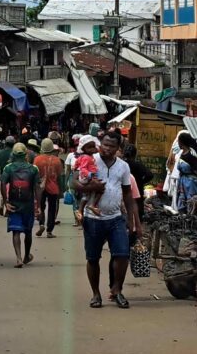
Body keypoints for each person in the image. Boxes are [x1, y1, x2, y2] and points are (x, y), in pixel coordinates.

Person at [76, 131, 140, 309]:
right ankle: (96, 294)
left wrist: (131, 220)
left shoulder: (123, 167)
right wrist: (88, 185)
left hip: (115, 217)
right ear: (100, 144)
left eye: (111, 146)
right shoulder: (90, 159)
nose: (107, 149)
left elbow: (128, 194)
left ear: (118, 148)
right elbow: (72, 182)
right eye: (105, 144)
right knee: (93, 258)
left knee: (122, 255)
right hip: (93, 218)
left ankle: (117, 289)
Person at [0, 143, 40, 268]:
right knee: (28, 233)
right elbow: (37, 188)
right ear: (25, 154)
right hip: (28, 205)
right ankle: (27, 255)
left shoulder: (8, 168)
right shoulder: (33, 169)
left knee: (16, 231)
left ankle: (18, 258)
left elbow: (2, 184)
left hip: (13, 204)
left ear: (13, 154)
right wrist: (38, 206)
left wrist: (5, 202)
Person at [34, 137, 65, 238]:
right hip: (53, 188)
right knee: (52, 209)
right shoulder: (57, 161)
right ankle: (49, 231)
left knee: (41, 207)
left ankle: (41, 224)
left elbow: (34, 175)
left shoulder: (37, 159)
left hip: (40, 188)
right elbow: (60, 177)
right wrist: (61, 190)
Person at [174, 131, 197, 212]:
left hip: (191, 183)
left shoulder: (192, 155)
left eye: (178, 141)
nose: (178, 143)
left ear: (182, 142)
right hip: (183, 183)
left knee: (192, 203)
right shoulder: (180, 154)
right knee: (181, 203)